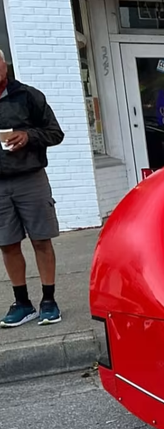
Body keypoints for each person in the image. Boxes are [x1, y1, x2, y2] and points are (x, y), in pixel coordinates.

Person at [0, 48, 64, 327]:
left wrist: (29, 135)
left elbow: (55, 133)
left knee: (41, 239)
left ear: (4, 65)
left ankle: (48, 300)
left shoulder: (28, 96)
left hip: (31, 178)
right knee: (7, 244)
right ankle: (22, 303)